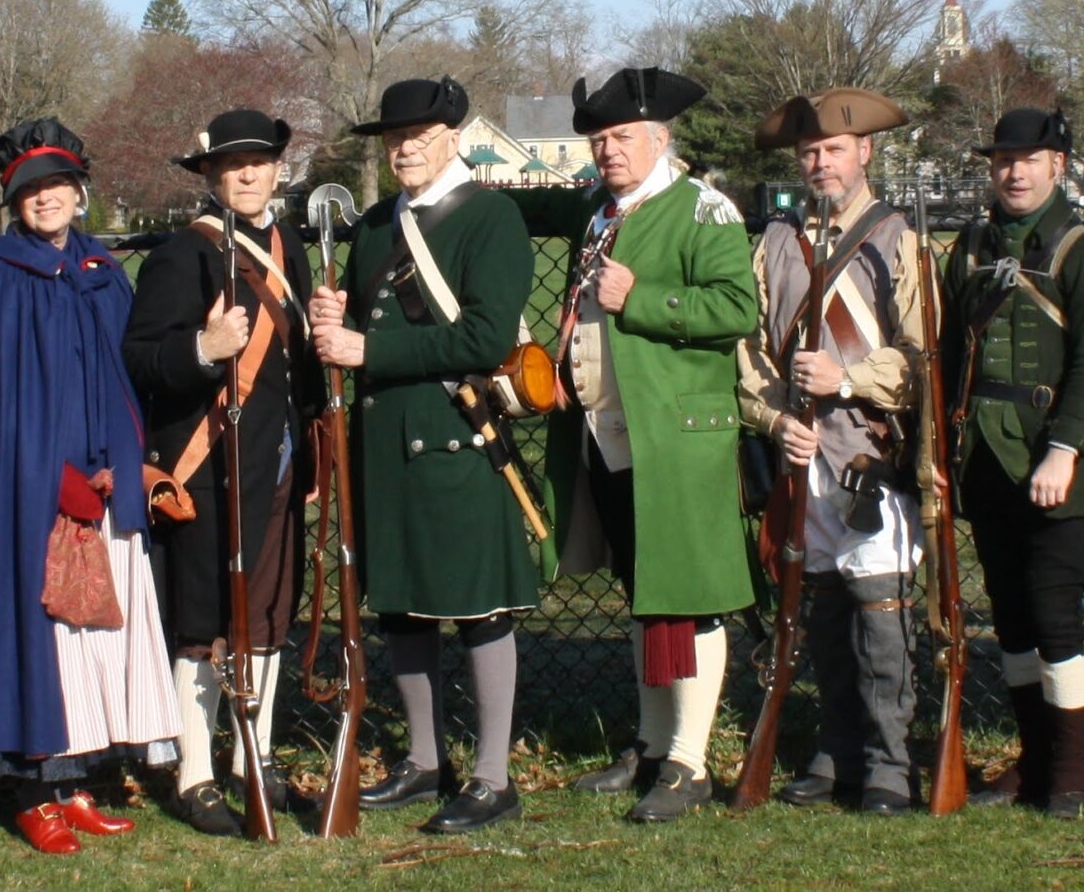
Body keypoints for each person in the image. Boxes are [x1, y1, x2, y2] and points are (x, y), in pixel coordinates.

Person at [501, 68, 759, 823]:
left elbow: (735, 307)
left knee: (692, 597)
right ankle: (651, 745)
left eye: (621, 137)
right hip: (607, 437)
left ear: (661, 138)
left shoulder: (703, 209)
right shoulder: (598, 210)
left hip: (676, 437)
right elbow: (526, 204)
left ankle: (689, 762)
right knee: (645, 591)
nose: (608, 150)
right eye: (599, 140)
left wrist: (638, 299)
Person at [0, 117, 179, 853]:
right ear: (13, 199)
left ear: (78, 190)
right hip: (30, 505)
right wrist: (54, 478)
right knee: (42, 641)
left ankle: (76, 783)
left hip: (108, 495)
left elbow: (130, 381)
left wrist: (121, 465)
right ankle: (34, 793)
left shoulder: (103, 274)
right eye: (31, 189)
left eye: (58, 184)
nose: (46, 198)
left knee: (93, 641)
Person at [307, 77, 537, 834]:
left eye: (419, 135)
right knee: (402, 605)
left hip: (454, 437)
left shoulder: (491, 217)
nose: (404, 148)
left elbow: (485, 337)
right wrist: (333, 317)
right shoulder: (377, 225)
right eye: (394, 137)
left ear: (452, 138)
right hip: (383, 444)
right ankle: (424, 760)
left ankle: (493, 776)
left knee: (477, 606)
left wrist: (368, 349)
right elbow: (360, 321)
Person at [123, 109, 323, 835]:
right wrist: (204, 349)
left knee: (267, 612)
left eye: (259, 163)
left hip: (281, 457)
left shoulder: (289, 246)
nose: (247, 175)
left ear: (277, 171)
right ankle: (195, 773)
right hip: (207, 460)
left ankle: (252, 756)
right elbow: (142, 358)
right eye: (233, 165)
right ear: (210, 175)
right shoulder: (183, 255)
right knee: (204, 619)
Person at [736, 87, 927, 816]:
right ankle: (836, 747)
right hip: (801, 456)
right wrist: (774, 415)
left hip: (873, 454)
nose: (821, 163)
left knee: (881, 614)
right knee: (818, 609)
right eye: (810, 151)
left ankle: (888, 762)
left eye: (834, 149)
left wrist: (848, 378)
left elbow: (922, 357)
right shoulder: (776, 242)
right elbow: (750, 350)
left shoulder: (898, 239)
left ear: (864, 151)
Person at [940, 109, 1084, 818]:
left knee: (1055, 619)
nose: (1014, 172)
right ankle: (1035, 760)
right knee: (1012, 621)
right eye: (1003, 160)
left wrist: (1064, 447)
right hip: (985, 457)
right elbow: (951, 351)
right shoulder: (970, 247)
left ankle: (1073, 773)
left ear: (1058, 165)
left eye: (1028, 159)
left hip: (1058, 461)